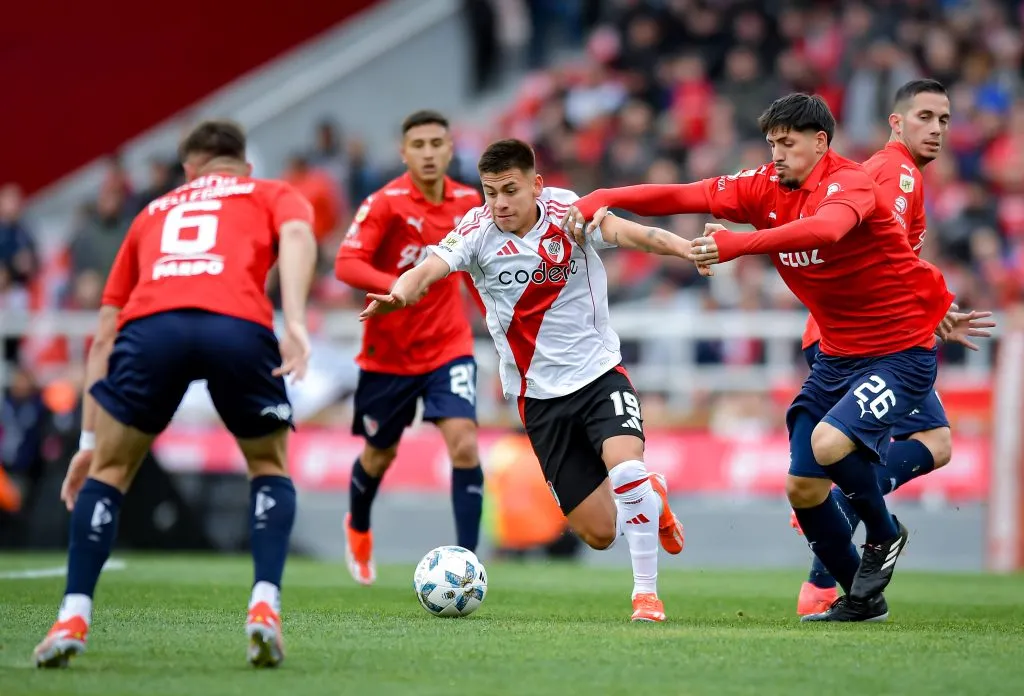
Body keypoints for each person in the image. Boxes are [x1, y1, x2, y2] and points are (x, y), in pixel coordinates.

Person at [563, 93, 984, 622]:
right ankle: (860, 596)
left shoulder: (852, 182)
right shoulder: (764, 186)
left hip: (898, 351)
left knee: (834, 443)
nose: (777, 154)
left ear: (820, 142)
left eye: (787, 144)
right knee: (803, 488)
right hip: (835, 353)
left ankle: (884, 532)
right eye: (772, 144)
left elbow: (825, 230)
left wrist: (739, 245)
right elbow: (684, 193)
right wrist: (599, 195)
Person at [361, 139, 687, 622]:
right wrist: (400, 292)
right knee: (598, 533)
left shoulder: (570, 212)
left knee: (624, 468)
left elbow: (631, 234)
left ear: (536, 184)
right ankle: (649, 497)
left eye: (510, 190)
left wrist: (688, 248)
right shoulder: (474, 232)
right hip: (537, 397)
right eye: (490, 192)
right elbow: (427, 268)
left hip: (600, 374)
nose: (500, 203)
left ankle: (645, 595)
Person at [33, 120, 317, 668]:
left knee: (110, 474)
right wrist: (298, 321)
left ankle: (72, 615)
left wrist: (90, 440)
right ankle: (263, 607)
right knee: (267, 466)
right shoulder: (268, 192)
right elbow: (301, 236)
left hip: (151, 330)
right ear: (244, 167)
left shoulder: (152, 213)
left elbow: (105, 334)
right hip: (236, 325)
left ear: (188, 171)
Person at [792, 79, 995, 615]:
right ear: (896, 122)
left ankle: (833, 532)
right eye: (924, 116)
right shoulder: (896, 172)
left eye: (944, 120)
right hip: (860, 343)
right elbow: (875, 258)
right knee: (860, 451)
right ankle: (821, 583)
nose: (936, 129)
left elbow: (890, 261)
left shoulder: (897, 174)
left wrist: (934, 310)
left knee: (935, 442)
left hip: (863, 336)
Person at [334, 110, 485, 586]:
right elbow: (346, 263)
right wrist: (399, 285)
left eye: (436, 143)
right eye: (417, 144)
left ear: (449, 149)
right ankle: (357, 525)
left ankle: (467, 563)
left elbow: (480, 268)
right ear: (403, 153)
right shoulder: (385, 204)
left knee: (463, 442)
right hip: (389, 356)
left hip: (448, 345)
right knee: (379, 454)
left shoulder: (469, 203)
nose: (427, 153)